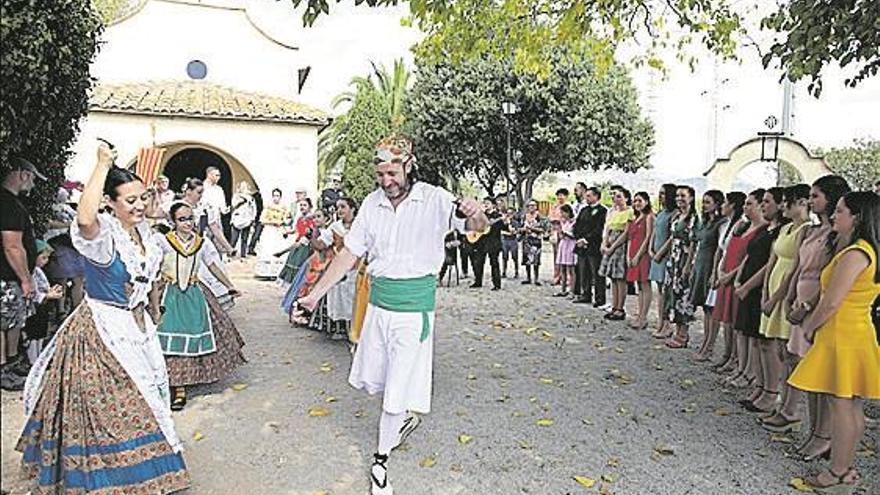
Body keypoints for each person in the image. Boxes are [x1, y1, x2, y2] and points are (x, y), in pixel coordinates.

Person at [296, 134, 487, 495]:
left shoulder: (435, 199)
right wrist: (315, 294)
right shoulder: (371, 203)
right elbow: (349, 255)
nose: (387, 181)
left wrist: (477, 214)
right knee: (379, 381)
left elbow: (475, 229)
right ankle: (399, 423)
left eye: (393, 172)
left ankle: (381, 459)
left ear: (409, 166)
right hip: (378, 308)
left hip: (414, 312)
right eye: (381, 173)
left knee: (396, 386)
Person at [16, 144, 190, 493]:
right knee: (112, 405)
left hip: (138, 329)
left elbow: (149, 280)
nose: (139, 205)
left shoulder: (150, 238)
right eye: (129, 200)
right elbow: (84, 219)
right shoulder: (104, 235)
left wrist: (154, 310)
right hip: (102, 329)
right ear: (110, 202)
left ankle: (149, 468)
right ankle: (114, 476)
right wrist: (102, 165)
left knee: (148, 396)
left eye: (142, 198)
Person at [788, 191, 879, 493]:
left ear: (857, 217)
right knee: (850, 406)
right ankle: (845, 467)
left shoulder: (856, 253)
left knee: (842, 406)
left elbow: (831, 302)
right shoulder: (860, 250)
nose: (835, 215)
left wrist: (809, 327)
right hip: (851, 334)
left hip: (843, 336)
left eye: (840, 211)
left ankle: (838, 471)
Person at [780, 176, 850, 461]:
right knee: (804, 367)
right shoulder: (811, 231)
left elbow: (832, 277)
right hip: (800, 297)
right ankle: (814, 430)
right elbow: (798, 267)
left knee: (818, 372)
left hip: (817, 302)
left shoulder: (837, 235)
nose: (811, 201)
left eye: (816, 196)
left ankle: (824, 435)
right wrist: (788, 298)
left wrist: (809, 306)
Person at [157, 201, 245, 410]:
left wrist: (229, 285)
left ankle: (183, 383)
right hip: (168, 293)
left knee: (197, 332)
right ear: (173, 221)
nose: (187, 222)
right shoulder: (162, 241)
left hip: (194, 293)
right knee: (167, 337)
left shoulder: (202, 243)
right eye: (182, 219)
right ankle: (172, 385)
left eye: (190, 218)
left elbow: (212, 265)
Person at [755, 185, 809, 416]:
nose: (784, 205)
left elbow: (795, 267)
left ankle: (788, 406)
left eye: (789, 201)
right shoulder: (786, 228)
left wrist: (777, 298)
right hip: (773, 285)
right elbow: (772, 260)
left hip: (787, 291)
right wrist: (766, 291)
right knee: (775, 347)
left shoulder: (806, 230)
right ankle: (775, 395)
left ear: (802, 204)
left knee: (790, 353)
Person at [1, 157, 43, 391]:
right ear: (23, 174)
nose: (34, 184)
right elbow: (12, 246)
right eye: (33, 178)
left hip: (9, 276)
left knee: (12, 322)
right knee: (3, 324)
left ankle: (11, 362)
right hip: (7, 276)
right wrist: (26, 279)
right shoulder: (9, 205)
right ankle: (4, 368)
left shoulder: (10, 203)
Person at [720, 189, 767, 387]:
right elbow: (728, 249)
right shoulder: (742, 226)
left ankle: (749, 371)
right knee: (738, 326)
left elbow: (753, 259)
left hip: (748, 281)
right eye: (745, 203)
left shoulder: (764, 230)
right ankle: (739, 366)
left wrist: (735, 277)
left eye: (750, 204)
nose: (746, 207)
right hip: (736, 278)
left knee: (748, 330)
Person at [700, 191, 745, 364]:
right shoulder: (725, 225)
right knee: (717, 311)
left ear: (733, 205)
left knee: (730, 317)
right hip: (720, 271)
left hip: (730, 273)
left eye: (725, 202)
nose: (723, 206)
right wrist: (715, 272)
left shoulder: (741, 225)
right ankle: (725, 353)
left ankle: (732, 356)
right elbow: (721, 250)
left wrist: (727, 274)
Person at [656, 186, 698, 347]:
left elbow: (694, 242)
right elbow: (672, 237)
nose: (679, 198)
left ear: (691, 198)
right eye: (678, 196)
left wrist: (688, 265)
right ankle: (675, 329)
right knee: (671, 294)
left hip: (684, 259)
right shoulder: (677, 216)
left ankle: (683, 334)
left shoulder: (693, 218)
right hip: (673, 259)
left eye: (683, 196)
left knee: (684, 296)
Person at [689, 190, 725, 355]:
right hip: (700, 264)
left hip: (711, 266)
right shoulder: (705, 222)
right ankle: (705, 341)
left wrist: (715, 272)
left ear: (717, 204)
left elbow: (720, 248)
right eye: (703, 202)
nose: (704, 205)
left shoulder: (721, 223)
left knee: (711, 307)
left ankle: (710, 344)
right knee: (705, 307)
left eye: (708, 202)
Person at [23, 240, 63, 368]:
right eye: (43, 257)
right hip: (33, 308)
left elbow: (43, 286)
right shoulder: (29, 273)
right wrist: (46, 295)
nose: (46, 261)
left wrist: (50, 291)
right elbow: (32, 292)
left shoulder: (38, 271)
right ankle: (32, 359)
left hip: (42, 306)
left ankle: (39, 356)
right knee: (33, 334)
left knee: (41, 332)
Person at [599, 187, 634, 320]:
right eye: (614, 196)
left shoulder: (630, 212)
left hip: (620, 245)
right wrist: (604, 243)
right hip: (611, 242)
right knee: (612, 277)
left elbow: (626, 233)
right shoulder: (613, 212)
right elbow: (607, 228)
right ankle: (614, 306)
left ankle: (620, 308)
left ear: (626, 198)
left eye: (619, 196)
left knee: (620, 278)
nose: (616, 199)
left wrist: (613, 247)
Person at [649, 184, 677, 337]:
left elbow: (672, 236)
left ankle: (666, 324)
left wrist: (660, 252)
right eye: (660, 194)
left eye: (664, 194)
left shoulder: (674, 213)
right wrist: (650, 249)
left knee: (666, 292)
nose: (661, 196)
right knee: (659, 291)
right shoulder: (661, 213)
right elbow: (654, 231)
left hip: (665, 256)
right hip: (655, 254)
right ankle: (660, 322)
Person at [573, 186, 607, 306]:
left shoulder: (602, 211)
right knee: (583, 271)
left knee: (596, 273)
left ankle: (599, 298)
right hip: (581, 246)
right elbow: (576, 225)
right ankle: (585, 293)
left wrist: (587, 239)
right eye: (586, 196)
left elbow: (599, 228)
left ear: (596, 196)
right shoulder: (584, 210)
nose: (586, 198)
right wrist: (578, 238)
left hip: (593, 246)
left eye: (589, 195)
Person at [625, 192, 654, 329]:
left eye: (640, 201)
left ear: (647, 202)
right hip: (633, 253)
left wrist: (637, 255)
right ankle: (639, 315)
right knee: (639, 287)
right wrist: (628, 255)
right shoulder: (635, 218)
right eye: (635, 201)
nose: (637, 203)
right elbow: (630, 238)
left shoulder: (649, 217)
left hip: (643, 254)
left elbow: (648, 237)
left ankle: (644, 317)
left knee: (645, 284)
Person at [254, 188, 291, 279]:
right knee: (267, 250)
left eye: (277, 196)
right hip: (269, 230)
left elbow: (287, 219)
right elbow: (262, 220)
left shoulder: (284, 208)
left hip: (278, 231)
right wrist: (272, 222)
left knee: (277, 249)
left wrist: (282, 223)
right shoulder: (268, 207)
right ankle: (265, 273)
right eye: (274, 195)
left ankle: (276, 272)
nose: (276, 198)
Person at [200, 166, 234, 254]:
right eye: (216, 175)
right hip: (204, 218)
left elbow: (223, 207)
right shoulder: (201, 187)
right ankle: (229, 248)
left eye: (219, 175)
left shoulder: (219, 189)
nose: (218, 177)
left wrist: (227, 209)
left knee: (216, 243)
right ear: (209, 175)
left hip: (216, 218)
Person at [471, 197, 503, 290]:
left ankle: (497, 284)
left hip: (493, 242)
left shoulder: (498, 215)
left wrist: (500, 222)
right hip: (481, 242)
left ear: (493, 205)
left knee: (494, 263)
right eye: (484, 202)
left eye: (488, 203)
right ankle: (478, 282)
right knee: (478, 263)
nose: (485, 204)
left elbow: (502, 227)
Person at [520, 200, 548, 285]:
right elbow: (520, 227)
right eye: (529, 206)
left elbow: (543, 229)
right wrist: (523, 230)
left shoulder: (540, 216)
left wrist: (532, 229)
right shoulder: (524, 216)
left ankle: (536, 278)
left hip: (536, 240)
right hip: (527, 240)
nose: (531, 207)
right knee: (527, 260)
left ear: (536, 206)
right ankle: (528, 278)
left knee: (536, 260)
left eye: (533, 205)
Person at [548, 188, 570, 285]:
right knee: (556, 255)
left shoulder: (568, 206)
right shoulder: (554, 206)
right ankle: (557, 275)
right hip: (556, 231)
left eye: (562, 195)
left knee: (566, 255)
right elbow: (551, 218)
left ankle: (566, 277)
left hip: (565, 232)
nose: (560, 197)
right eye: (559, 195)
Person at [229, 181, 257, 259]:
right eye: (242, 187)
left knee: (244, 238)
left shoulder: (251, 198)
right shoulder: (236, 196)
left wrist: (252, 219)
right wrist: (241, 200)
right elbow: (233, 205)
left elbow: (253, 209)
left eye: (245, 187)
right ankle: (231, 252)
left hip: (247, 219)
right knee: (234, 238)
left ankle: (243, 254)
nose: (244, 188)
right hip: (237, 219)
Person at [554, 204, 577, 297]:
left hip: (571, 244)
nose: (562, 214)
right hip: (563, 244)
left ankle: (572, 290)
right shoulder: (563, 222)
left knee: (571, 269)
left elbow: (575, 234)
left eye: (564, 212)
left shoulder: (574, 222)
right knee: (562, 268)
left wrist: (567, 234)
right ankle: (563, 289)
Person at [500, 207, 521, 278]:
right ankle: (504, 272)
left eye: (511, 213)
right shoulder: (503, 222)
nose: (509, 215)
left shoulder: (515, 222)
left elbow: (514, 231)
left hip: (513, 241)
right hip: (505, 240)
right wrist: (507, 233)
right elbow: (500, 231)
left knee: (515, 257)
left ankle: (516, 272)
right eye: (508, 213)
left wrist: (509, 224)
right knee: (504, 257)